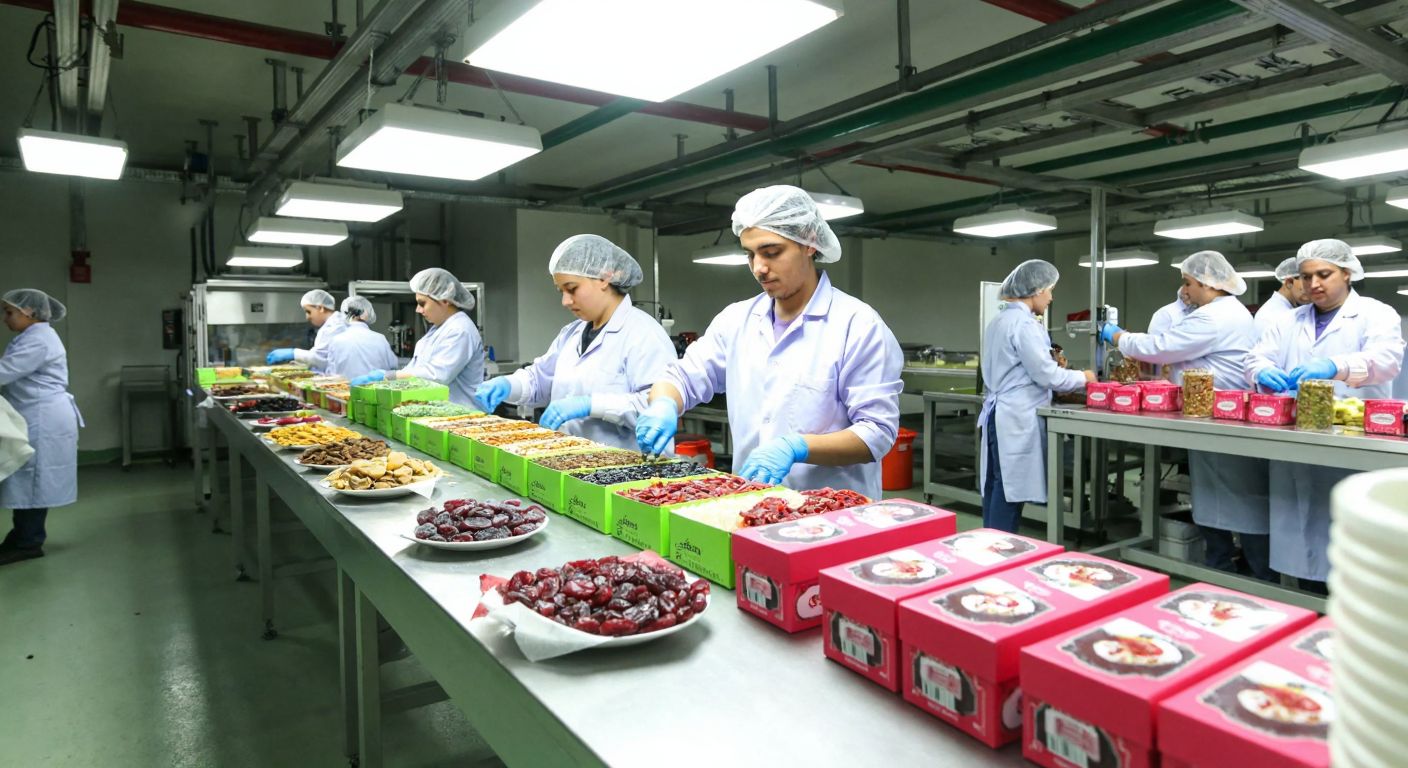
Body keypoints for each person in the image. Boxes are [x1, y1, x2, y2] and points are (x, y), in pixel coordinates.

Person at [634, 185, 903, 501]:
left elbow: (876, 433)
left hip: (832, 515)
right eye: (750, 254)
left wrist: (797, 447)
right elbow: (681, 377)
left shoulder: (857, 326)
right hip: (751, 506)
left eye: (772, 252)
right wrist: (665, 403)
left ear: (809, 243)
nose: (759, 268)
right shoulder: (736, 321)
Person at [1245, 239, 1405, 591]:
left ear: (1347, 273)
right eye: (1305, 276)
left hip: (1353, 440)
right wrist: (1260, 373)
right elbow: (1256, 357)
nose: (1313, 284)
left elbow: (1388, 360)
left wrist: (1336, 365)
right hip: (1299, 438)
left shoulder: (1376, 314)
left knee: (1350, 539)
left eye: (1324, 274)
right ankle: (1304, 604)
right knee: (1301, 526)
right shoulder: (1288, 321)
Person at [1101, 251, 1271, 580]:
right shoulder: (1229, 311)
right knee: (1227, 499)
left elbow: (1159, 347)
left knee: (1243, 503)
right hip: (1213, 416)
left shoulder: (1212, 317)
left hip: (1221, 419)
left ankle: (1254, 577)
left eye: (1189, 283)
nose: (1185, 291)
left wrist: (1117, 335)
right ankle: (1227, 567)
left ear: (1208, 284)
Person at [475, 235, 676, 449]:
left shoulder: (644, 334)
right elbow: (540, 380)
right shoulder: (572, 334)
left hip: (629, 471)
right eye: (561, 291)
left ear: (604, 277)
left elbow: (658, 408)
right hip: (573, 462)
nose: (565, 301)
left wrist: (591, 405)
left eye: (572, 289)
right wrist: (507, 385)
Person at [979, 260, 1093, 533]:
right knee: (1010, 490)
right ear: (1035, 290)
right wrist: (1084, 378)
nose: (1051, 297)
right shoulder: (1025, 324)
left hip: (1000, 413)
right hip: (1015, 416)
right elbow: (1047, 376)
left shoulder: (1000, 320)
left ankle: (988, 546)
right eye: (1050, 290)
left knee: (997, 484)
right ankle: (999, 552)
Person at [0, 289, 83, 565]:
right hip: (35, 415)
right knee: (26, 479)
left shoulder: (39, 340)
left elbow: (5, 371)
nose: (5, 318)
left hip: (42, 419)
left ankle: (29, 542)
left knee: (32, 479)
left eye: (9, 312)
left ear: (29, 313)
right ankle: (23, 535)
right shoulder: (31, 336)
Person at [349, 268, 485, 408]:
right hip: (441, 412)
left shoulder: (460, 329)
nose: (418, 310)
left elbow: (436, 376)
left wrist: (389, 376)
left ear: (445, 300)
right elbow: (418, 367)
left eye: (422, 303)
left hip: (463, 416)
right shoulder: (439, 328)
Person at [266, 289, 348, 371]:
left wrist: (293, 353)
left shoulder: (336, 327)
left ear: (320, 308)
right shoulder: (331, 325)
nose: (307, 317)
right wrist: (303, 365)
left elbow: (320, 358)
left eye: (308, 312)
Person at [325, 296, 398, 381]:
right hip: (374, 392)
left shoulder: (336, 340)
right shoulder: (380, 339)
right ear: (367, 314)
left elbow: (330, 373)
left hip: (343, 392)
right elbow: (393, 367)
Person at [1253, 256, 1308, 339]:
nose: (1311, 288)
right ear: (1289, 282)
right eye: (1306, 283)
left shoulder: (1283, 309)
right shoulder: (1276, 315)